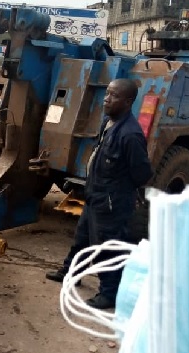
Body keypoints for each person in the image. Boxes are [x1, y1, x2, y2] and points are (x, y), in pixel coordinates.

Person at [47, 79, 153, 309]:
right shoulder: (109, 123)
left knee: (107, 248)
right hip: (95, 195)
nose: (107, 99)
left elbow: (142, 173)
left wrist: (118, 191)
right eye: (107, 93)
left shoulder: (130, 135)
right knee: (82, 239)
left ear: (127, 102)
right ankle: (71, 272)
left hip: (111, 202)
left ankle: (109, 294)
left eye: (114, 96)